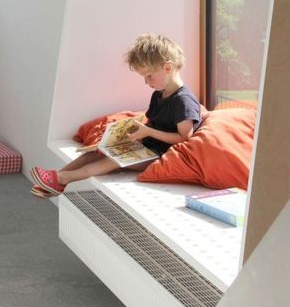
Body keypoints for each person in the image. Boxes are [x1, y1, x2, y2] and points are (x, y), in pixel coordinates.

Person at [30, 33, 202, 197]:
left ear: (168, 68)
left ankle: (62, 179)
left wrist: (148, 133)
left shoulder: (183, 101)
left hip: (159, 155)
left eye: (149, 76)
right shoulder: (159, 94)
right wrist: (125, 137)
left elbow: (184, 138)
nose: (146, 82)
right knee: (97, 152)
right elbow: (151, 123)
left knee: (112, 160)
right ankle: (55, 179)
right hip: (147, 148)